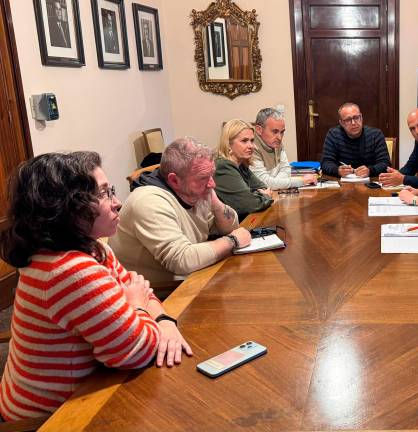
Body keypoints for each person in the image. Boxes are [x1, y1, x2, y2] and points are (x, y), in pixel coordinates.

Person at [0, 152, 192, 421]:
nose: (118, 203)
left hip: (72, 390)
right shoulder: (70, 271)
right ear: (67, 206)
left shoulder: (91, 248)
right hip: (49, 417)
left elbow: (140, 288)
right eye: (103, 194)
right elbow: (138, 351)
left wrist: (163, 319)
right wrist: (136, 305)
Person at [110, 137, 252, 285]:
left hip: (190, 282)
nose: (212, 184)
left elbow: (230, 227)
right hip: (159, 297)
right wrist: (233, 241)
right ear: (174, 180)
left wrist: (215, 203)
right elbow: (182, 260)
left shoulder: (194, 191)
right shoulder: (148, 201)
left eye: (212, 175)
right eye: (203, 178)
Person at [215, 119, 274, 220]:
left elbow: (263, 187)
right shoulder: (223, 166)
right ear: (228, 144)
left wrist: (254, 195)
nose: (251, 146)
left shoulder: (241, 164)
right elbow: (250, 204)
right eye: (244, 141)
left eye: (252, 141)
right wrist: (264, 196)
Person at [250, 108, 317, 189]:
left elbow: (286, 169)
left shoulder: (275, 142)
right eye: (274, 131)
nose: (279, 137)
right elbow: (264, 183)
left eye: (282, 132)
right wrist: (301, 181)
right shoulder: (250, 147)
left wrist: (274, 183)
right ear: (259, 130)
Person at [320, 102, 390, 178]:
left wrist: (370, 170)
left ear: (361, 117)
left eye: (356, 117)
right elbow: (325, 163)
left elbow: (385, 164)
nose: (353, 123)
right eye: (348, 120)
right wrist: (337, 170)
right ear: (341, 123)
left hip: (370, 181)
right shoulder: (333, 134)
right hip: (342, 183)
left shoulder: (376, 135)